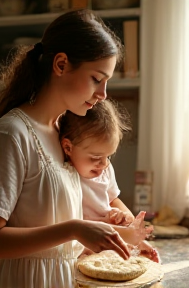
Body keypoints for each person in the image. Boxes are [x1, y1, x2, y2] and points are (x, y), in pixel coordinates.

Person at [0, 9, 138, 288]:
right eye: (97, 78)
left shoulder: (68, 133)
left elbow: (97, 201)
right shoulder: (13, 134)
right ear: (60, 64)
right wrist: (75, 229)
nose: (103, 94)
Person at [58, 99, 161, 263]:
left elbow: (113, 199)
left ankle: (139, 246)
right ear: (68, 148)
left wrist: (126, 218)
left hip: (111, 232)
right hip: (84, 242)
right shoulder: (64, 173)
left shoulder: (104, 169)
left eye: (109, 156)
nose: (104, 164)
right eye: (96, 157)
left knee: (132, 255)